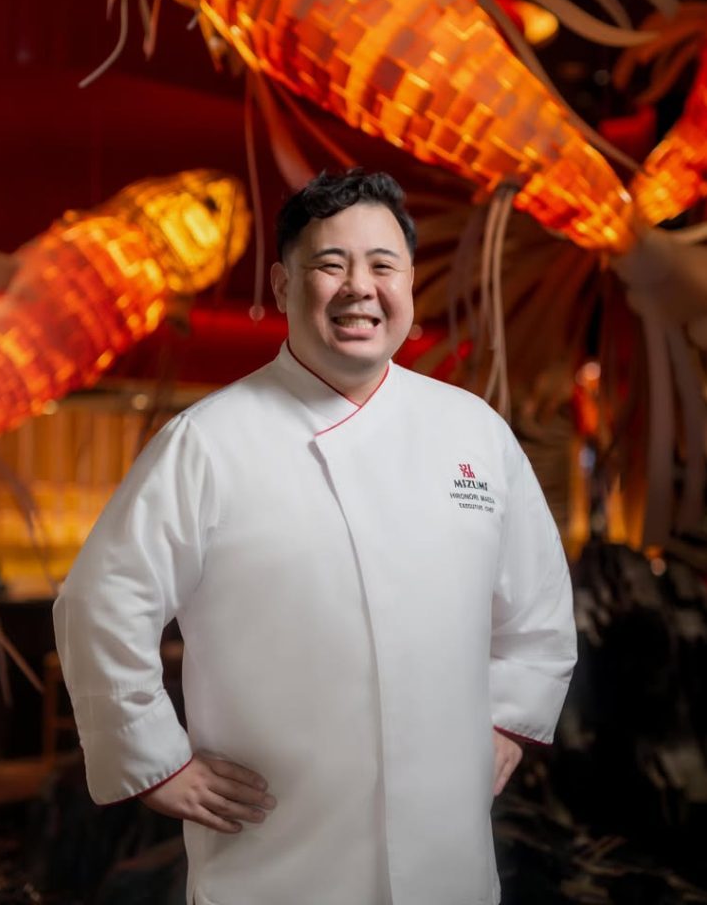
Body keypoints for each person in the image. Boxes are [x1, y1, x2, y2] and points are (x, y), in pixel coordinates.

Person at [53, 168, 577, 905]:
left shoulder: (474, 433)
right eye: (331, 264)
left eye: (383, 265)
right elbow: (100, 603)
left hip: (448, 860)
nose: (360, 287)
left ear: (409, 282)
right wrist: (156, 761)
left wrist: (507, 723)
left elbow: (540, 609)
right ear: (281, 284)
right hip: (275, 856)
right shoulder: (208, 441)